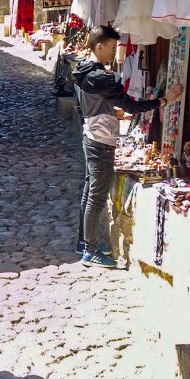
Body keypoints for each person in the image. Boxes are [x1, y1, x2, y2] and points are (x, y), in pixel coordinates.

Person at [73, 25, 181, 268]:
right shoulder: (101, 76)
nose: (114, 52)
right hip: (101, 140)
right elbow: (131, 106)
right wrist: (164, 100)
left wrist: (111, 113)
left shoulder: (83, 70)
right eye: (112, 47)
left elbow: (90, 105)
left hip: (91, 135)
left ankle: (84, 242)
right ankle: (90, 251)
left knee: (90, 191)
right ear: (99, 46)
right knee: (97, 197)